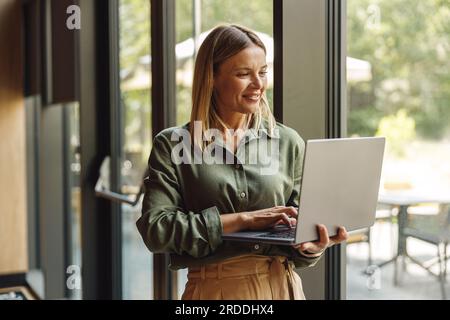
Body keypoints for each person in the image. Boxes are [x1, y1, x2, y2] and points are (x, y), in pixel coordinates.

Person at [136, 24, 348, 300]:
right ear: (211, 78)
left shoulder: (287, 141)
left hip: (284, 287)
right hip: (215, 290)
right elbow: (156, 229)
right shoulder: (174, 143)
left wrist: (311, 246)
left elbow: (298, 230)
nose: (258, 84)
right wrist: (245, 220)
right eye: (243, 74)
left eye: (262, 72)